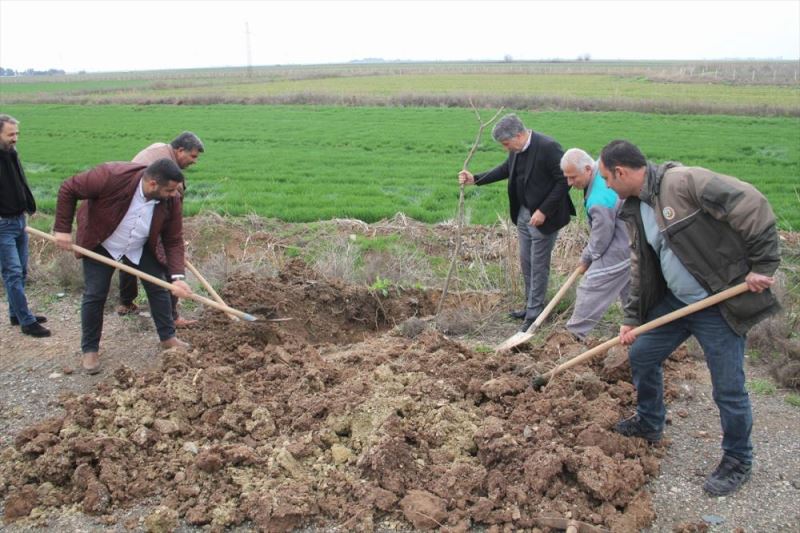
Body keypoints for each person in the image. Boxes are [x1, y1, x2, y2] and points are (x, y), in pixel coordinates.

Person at [598, 140, 780, 496]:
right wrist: (633, 317)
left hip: (717, 303)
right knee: (641, 354)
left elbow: (750, 202)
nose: (605, 185)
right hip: (677, 304)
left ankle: (738, 459)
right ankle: (650, 422)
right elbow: (640, 266)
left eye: (606, 178)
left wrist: (763, 265)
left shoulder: (682, 183)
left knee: (728, 387)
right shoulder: (635, 208)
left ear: (620, 172)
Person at [53, 159, 193, 374]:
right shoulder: (111, 176)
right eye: (170, 190)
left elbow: (173, 240)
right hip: (103, 241)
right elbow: (69, 188)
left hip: (140, 244)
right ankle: (90, 349)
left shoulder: (171, 201)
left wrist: (177, 278)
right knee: (95, 294)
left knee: (159, 288)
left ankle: (168, 338)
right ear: (153, 184)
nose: (174, 195)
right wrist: (62, 229)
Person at [458, 114, 575, 332]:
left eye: (506, 143)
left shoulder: (548, 147)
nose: (506, 148)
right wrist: (476, 179)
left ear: (519, 135)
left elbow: (564, 181)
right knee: (527, 262)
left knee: (539, 265)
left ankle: (535, 314)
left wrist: (543, 211)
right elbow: (506, 169)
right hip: (523, 214)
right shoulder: (516, 150)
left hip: (543, 218)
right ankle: (531, 306)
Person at [117, 132, 204, 327]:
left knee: (130, 257)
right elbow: (172, 219)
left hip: (129, 216)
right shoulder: (170, 177)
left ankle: (126, 302)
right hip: (145, 215)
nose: (194, 161)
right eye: (193, 156)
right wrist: (175, 249)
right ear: (180, 150)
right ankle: (172, 317)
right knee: (167, 266)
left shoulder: (159, 148)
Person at [560, 148, 630, 340]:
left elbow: (601, 237)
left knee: (592, 285)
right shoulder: (602, 168)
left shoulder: (599, 198)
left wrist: (588, 257)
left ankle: (573, 336)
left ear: (588, 169)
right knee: (632, 289)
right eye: (567, 177)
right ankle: (643, 330)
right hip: (632, 240)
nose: (570, 183)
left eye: (573, 177)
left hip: (621, 245)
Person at [0, 114, 51, 338]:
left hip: (19, 220)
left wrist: (28, 207)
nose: (15, 138)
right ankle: (27, 322)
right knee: (12, 273)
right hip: (2, 225)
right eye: (10, 134)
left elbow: (20, 182)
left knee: (21, 270)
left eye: (17, 133)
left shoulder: (11, 153)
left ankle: (16, 313)